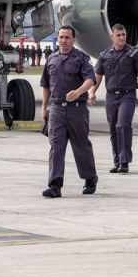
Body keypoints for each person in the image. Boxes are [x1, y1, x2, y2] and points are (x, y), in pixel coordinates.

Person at [40, 26, 98, 198]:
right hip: (57, 109)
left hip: (77, 110)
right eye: (61, 37)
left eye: (67, 37)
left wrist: (78, 92)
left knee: (81, 146)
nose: (64, 41)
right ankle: (55, 185)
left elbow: (90, 80)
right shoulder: (51, 59)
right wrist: (44, 106)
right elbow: (45, 84)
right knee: (56, 146)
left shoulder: (81, 58)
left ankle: (90, 178)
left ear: (73, 39)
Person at [89, 23, 138, 174]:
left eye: (123, 35)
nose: (122, 38)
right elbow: (97, 77)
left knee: (123, 125)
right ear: (112, 37)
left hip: (127, 95)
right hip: (111, 96)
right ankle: (117, 161)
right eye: (118, 35)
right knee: (113, 129)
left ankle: (124, 161)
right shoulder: (104, 55)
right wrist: (91, 92)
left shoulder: (133, 54)